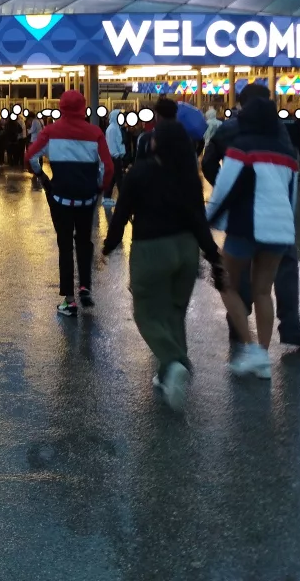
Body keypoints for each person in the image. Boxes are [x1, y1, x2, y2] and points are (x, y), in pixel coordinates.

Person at [102, 120, 233, 411]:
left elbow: (122, 212)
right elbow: (200, 222)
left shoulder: (139, 172)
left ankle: (175, 363)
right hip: (186, 250)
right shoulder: (189, 176)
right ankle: (168, 376)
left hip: (151, 249)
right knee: (175, 313)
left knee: (147, 313)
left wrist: (109, 245)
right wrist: (213, 256)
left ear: (155, 144)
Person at [202, 83, 300, 351]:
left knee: (238, 272)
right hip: (279, 216)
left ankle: (239, 324)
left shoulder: (229, 129)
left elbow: (208, 163)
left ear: (242, 104)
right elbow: (291, 167)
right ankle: (289, 327)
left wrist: (230, 192)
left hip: (244, 217)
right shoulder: (278, 129)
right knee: (283, 269)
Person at [206, 97, 300, 379]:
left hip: (246, 225)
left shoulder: (240, 148)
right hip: (280, 229)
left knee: (225, 282)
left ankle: (251, 349)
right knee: (262, 291)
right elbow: (292, 197)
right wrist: (286, 225)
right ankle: (262, 353)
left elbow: (224, 188)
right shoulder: (288, 153)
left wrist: (209, 220)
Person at [25, 90, 113, 316]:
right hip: (86, 199)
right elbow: (107, 167)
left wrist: (41, 175)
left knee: (65, 245)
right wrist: (99, 187)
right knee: (84, 242)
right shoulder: (95, 133)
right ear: (83, 108)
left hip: (60, 198)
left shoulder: (51, 132)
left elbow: (30, 157)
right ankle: (85, 286)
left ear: (61, 107)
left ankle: (69, 300)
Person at [103, 112, 126, 207]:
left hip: (114, 157)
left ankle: (107, 198)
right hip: (115, 157)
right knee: (119, 179)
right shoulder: (113, 129)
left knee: (113, 179)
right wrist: (118, 154)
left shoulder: (113, 127)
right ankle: (124, 199)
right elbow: (113, 144)